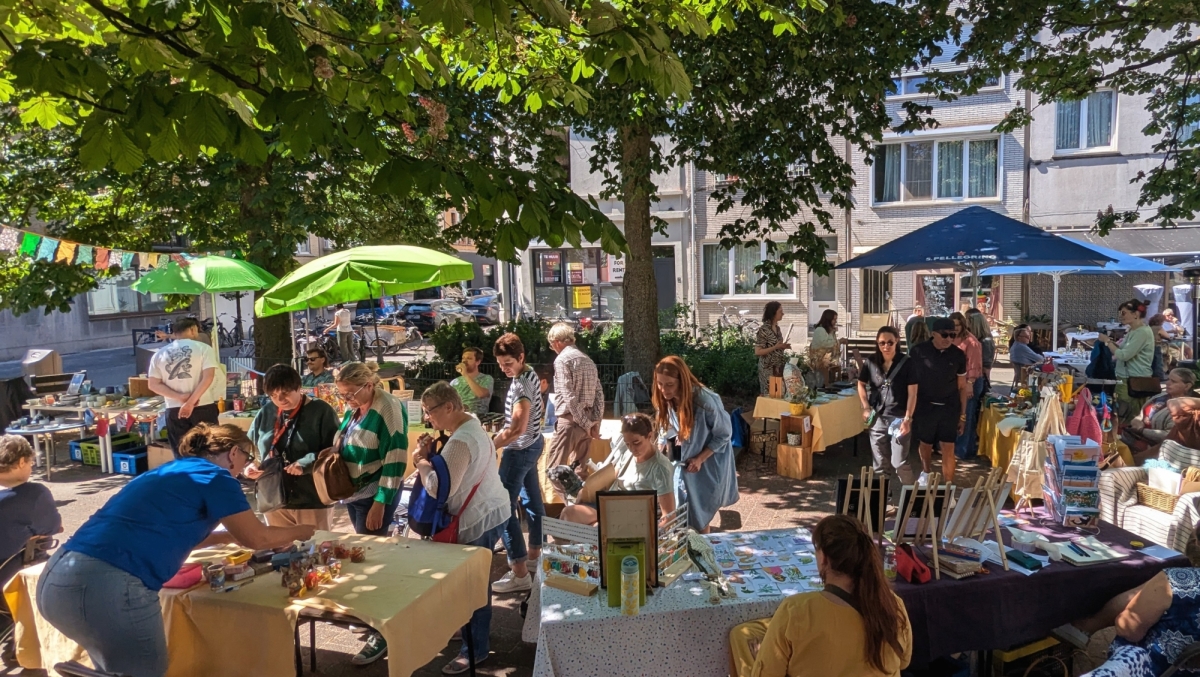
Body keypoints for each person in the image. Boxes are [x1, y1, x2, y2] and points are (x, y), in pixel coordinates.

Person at [37, 424, 314, 677]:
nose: (245, 467)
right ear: (233, 453)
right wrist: (302, 530)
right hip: (109, 583)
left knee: (118, 668)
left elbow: (167, 530)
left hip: (59, 576)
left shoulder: (167, 471)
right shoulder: (217, 477)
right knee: (145, 670)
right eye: (246, 458)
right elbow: (257, 537)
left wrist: (225, 538)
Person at [729, 514, 912, 677]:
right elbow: (904, 661)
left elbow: (767, 673)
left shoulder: (796, 611)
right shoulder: (893, 604)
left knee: (744, 640)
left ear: (824, 557)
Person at [410, 383, 509, 675]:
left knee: (472, 588)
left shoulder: (461, 441)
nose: (428, 418)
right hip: (493, 510)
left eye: (430, 412)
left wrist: (420, 463)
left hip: (478, 518)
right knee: (473, 584)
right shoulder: (472, 424)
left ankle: (474, 649)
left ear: (450, 407)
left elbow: (439, 488)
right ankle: (468, 634)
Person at [332, 361, 409, 665]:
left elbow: (395, 458)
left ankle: (382, 631)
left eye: (349, 395)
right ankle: (371, 615)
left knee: (375, 561)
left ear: (368, 385)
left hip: (374, 495)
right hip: (356, 494)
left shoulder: (388, 407)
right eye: (342, 396)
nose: (346, 401)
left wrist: (381, 501)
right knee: (365, 556)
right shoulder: (358, 404)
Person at [245, 364, 340, 530]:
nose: (280, 400)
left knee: (314, 550)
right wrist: (250, 464)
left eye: (285, 393)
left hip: (311, 498)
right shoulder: (267, 411)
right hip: (274, 499)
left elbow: (336, 450)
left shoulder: (321, 411)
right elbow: (250, 447)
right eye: (273, 395)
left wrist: (307, 462)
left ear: (299, 388)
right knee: (281, 552)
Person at [1061, 565, 1200, 676]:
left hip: (1155, 669)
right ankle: (1087, 627)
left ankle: (1085, 627)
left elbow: (1129, 631)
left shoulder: (1178, 579)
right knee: (1148, 591)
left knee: (1136, 609)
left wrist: (1124, 616)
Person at [652, 355, 739, 532]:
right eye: (660, 384)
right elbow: (668, 431)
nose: (664, 389)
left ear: (682, 381)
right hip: (684, 458)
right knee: (680, 506)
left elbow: (724, 435)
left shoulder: (706, 401)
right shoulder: (665, 398)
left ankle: (704, 549)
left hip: (709, 461)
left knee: (701, 511)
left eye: (669, 384)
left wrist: (700, 459)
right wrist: (664, 454)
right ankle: (687, 548)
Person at [490, 333, 546, 594]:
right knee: (533, 503)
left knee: (502, 509)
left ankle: (519, 573)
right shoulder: (529, 374)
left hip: (519, 451)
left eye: (508, 363)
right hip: (533, 446)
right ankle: (534, 557)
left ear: (521, 357)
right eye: (501, 363)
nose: (504, 368)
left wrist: (491, 445)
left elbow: (516, 429)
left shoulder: (521, 386)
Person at [1, 435, 61, 658]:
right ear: (20, 463)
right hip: (11, 575)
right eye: (31, 462)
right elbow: (52, 526)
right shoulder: (33, 494)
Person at [560, 413, 676, 526]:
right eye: (628, 444)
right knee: (567, 515)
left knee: (597, 529)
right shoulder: (627, 452)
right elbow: (612, 476)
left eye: (636, 443)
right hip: (611, 505)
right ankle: (564, 545)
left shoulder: (660, 468)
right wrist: (585, 491)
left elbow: (669, 516)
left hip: (634, 516)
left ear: (649, 436)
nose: (632, 449)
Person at [857, 327, 916, 506]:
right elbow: (860, 384)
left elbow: (913, 393)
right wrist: (865, 407)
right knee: (880, 465)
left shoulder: (907, 362)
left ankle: (914, 498)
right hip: (878, 417)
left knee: (899, 462)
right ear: (877, 343)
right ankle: (883, 500)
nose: (886, 346)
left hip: (899, 418)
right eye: (882, 343)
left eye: (890, 342)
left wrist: (908, 419)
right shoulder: (871, 362)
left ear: (897, 341)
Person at [147, 317, 221, 459]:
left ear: (174, 333)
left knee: (182, 454)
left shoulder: (158, 354)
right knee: (209, 453)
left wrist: (180, 398)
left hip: (174, 409)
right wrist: (191, 402)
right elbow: (208, 377)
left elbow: (153, 384)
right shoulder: (204, 349)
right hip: (203, 406)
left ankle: (186, 480)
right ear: (193, 329)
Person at [910, 318, 968, 484]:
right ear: (933, 334)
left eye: (952, 335)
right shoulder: (918, 351)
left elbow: (962, 387)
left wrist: (963, 416)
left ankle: (949, 484)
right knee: (925, 443)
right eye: (944, 335)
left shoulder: (958, 355)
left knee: (948, 446)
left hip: (949, 407)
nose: (948, 339)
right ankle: (926, 472)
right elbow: (911, 383)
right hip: (925, 406)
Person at [546, 323, 604, 487]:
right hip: (585, 422)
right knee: (580, 473)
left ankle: (572, 508)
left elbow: (568, 396)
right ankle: (582, 509)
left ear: (556, 342)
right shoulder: (588, 360)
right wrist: (594, 422)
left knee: (554, 472)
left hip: (570, 422)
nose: (553, 349)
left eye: (552, 346)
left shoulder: (562, 360)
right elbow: (599, 393)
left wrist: (586, 423)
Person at [1098, 299, 1157, 423]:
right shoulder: (1134, 331)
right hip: (1126, 377)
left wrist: (1107, 342)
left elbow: (1123, 355)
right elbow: (1122, 349)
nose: (1121, 316)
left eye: (1124, 313)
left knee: (1126, 416)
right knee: (1120, 413)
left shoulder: (1142, 332)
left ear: (1135, 314)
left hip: (1134, 379)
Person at [1125, 369, 1200, 457]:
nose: (1168, 383)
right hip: (1137, 438)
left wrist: (1142, 431)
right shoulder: (1160, 397)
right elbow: (1140, 415)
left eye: (1173, 381)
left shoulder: (1186, 409)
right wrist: (1136, 421)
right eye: (1168, 379)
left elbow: (1172, 436)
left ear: (1187, 386)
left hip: (1159, 450)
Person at [950, 312, 985, 460]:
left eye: (957, 325)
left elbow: (974, 366)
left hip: (971, 382)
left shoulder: (971, 341)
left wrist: (970, 383)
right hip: (956, 382)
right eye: (953, 325)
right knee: (958, 415)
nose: (955, 328)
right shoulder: (951, 338)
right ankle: (963, 448)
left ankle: (963, 450)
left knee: (967, 416)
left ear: (963, 324)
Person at [755, 301, 792, 395]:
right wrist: (776, 347)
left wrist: (782, 347)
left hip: (777, 367)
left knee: (779, 393)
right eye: (780, 311)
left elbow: (775, 346)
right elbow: (758, 351)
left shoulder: (777, 328)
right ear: (773, 313)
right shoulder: (764, 330)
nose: (783, 314)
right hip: (767, 368)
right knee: (769, 394)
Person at [450, 347, 495, 417]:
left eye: (469, 358)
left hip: (478, 418)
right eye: (463, 358)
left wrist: (465, 375)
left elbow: (481, 394)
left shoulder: (486, 378)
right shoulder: (454, 382)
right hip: (457, 418)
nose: (464, 361)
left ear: (478, 362)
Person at [965, 309, 995, 381]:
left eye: (969, 322)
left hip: (978, 377)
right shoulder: (975, 339)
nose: (967, 325)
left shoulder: (985, 341)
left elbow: (986, 365)